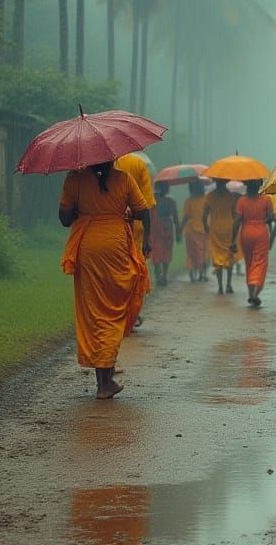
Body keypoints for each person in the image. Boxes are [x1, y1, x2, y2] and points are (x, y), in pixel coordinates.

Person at [59, 160, 149, 399]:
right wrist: (126, 213)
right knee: (114, 310)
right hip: (116, 244)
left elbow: (65, 219)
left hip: (88, 245)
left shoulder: (74, 179)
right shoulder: (124, 179)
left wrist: (81, 209)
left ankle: (104, 381)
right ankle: (105, 381)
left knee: (95, 312)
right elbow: (143, 210)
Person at [115, 153, 156, 324]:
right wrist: (147, 238)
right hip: (136, 225)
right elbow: (146, 204)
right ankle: (132, 313)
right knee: (135, 269)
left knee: (117, 270)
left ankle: (117, 312)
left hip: (112, 226)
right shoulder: (138, 164)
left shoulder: (104, 164)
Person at [231, 179, 276, 307]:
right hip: (261, 232)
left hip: (246, 233)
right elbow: (271, 218)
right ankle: (255, 292)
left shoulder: (242, 201)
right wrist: (265, 219)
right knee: (260, 262)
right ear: (260, 185)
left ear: (246, 185)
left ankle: (251, 294)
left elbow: (237, 221)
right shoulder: (267, 199)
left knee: (249, 262)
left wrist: (232, 240)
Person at [203, 179, 238, 294]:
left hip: (215, 229)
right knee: (229, 255)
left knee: (217, 257)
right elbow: (234, 214)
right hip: (229, 228)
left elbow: (204, 216)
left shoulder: (210, 196)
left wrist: (207, 229)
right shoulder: (230, 196)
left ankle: (220, 287)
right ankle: (228, 284)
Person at [179, 178, 209, 283]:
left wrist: (180, 229)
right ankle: (202, 274)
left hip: (191, 231)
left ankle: (192, 275)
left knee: (191, 253)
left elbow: (185, 217)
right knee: (203, 252)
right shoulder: (206, 200)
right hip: (204, 230)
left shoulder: (189, 201)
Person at [150, 181, 179, 287]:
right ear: (167, 188)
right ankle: (164, 275)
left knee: (156, 251)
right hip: (167, 227)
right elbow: (175, 218)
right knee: (166, 251)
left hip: (155, 228)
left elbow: (148, 216)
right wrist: (179, 232)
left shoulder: (152, 200)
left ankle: (158, 275)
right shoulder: (170, 201)